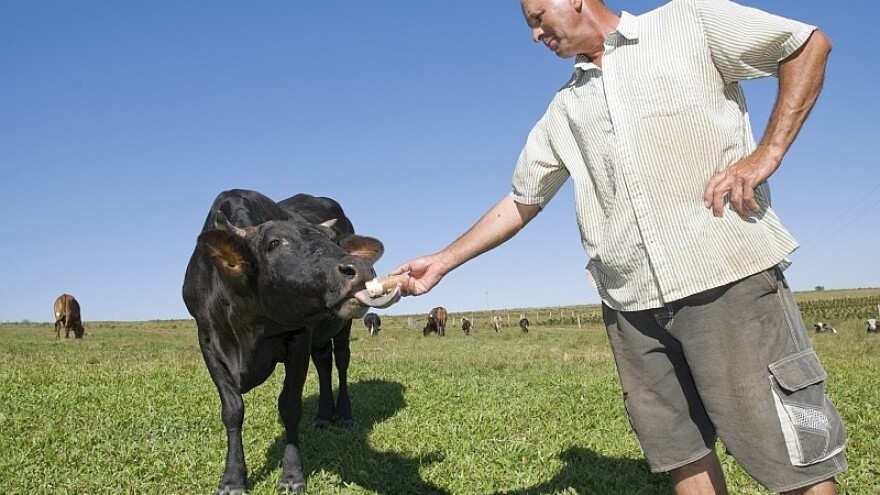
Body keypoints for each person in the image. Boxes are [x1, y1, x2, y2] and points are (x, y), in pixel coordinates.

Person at [390, 0, 845, 494]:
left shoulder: (686, 23)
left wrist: (766, 154)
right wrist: (442, 262)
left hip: (725, 275)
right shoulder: (565, 108)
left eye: (538, 18)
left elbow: (804, 44)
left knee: (792, 456)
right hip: (631, 306)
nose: (535, 35)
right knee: (682, 454)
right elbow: (521, 201)